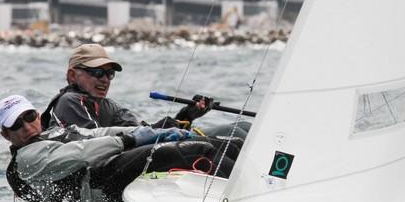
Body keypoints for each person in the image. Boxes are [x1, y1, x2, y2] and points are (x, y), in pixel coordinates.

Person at [0, 94, 234, 202]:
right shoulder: (25, 159)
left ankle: (246, 186)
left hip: (107, 170)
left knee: (225, 144)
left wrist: (156, 131)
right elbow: (80, 154)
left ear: (38, 116)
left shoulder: (51, 134)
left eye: (29, 117)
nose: (26, 127)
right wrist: (130, 140)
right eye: (16, 125)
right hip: (98, 191)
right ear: (5, 135)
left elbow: (98, 134)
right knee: (191, 151)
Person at [41, 43, 249, 139]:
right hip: (99, 174)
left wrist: (186, 115)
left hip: (124, 158)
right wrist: (161, 129)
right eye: (96, 72)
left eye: (109, 74)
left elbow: (143, 131)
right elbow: (94, 142)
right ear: (72, 76)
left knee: (241, 128)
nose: (104, 79)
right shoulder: (69, 101)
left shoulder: (109, 106)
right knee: (227, 139)